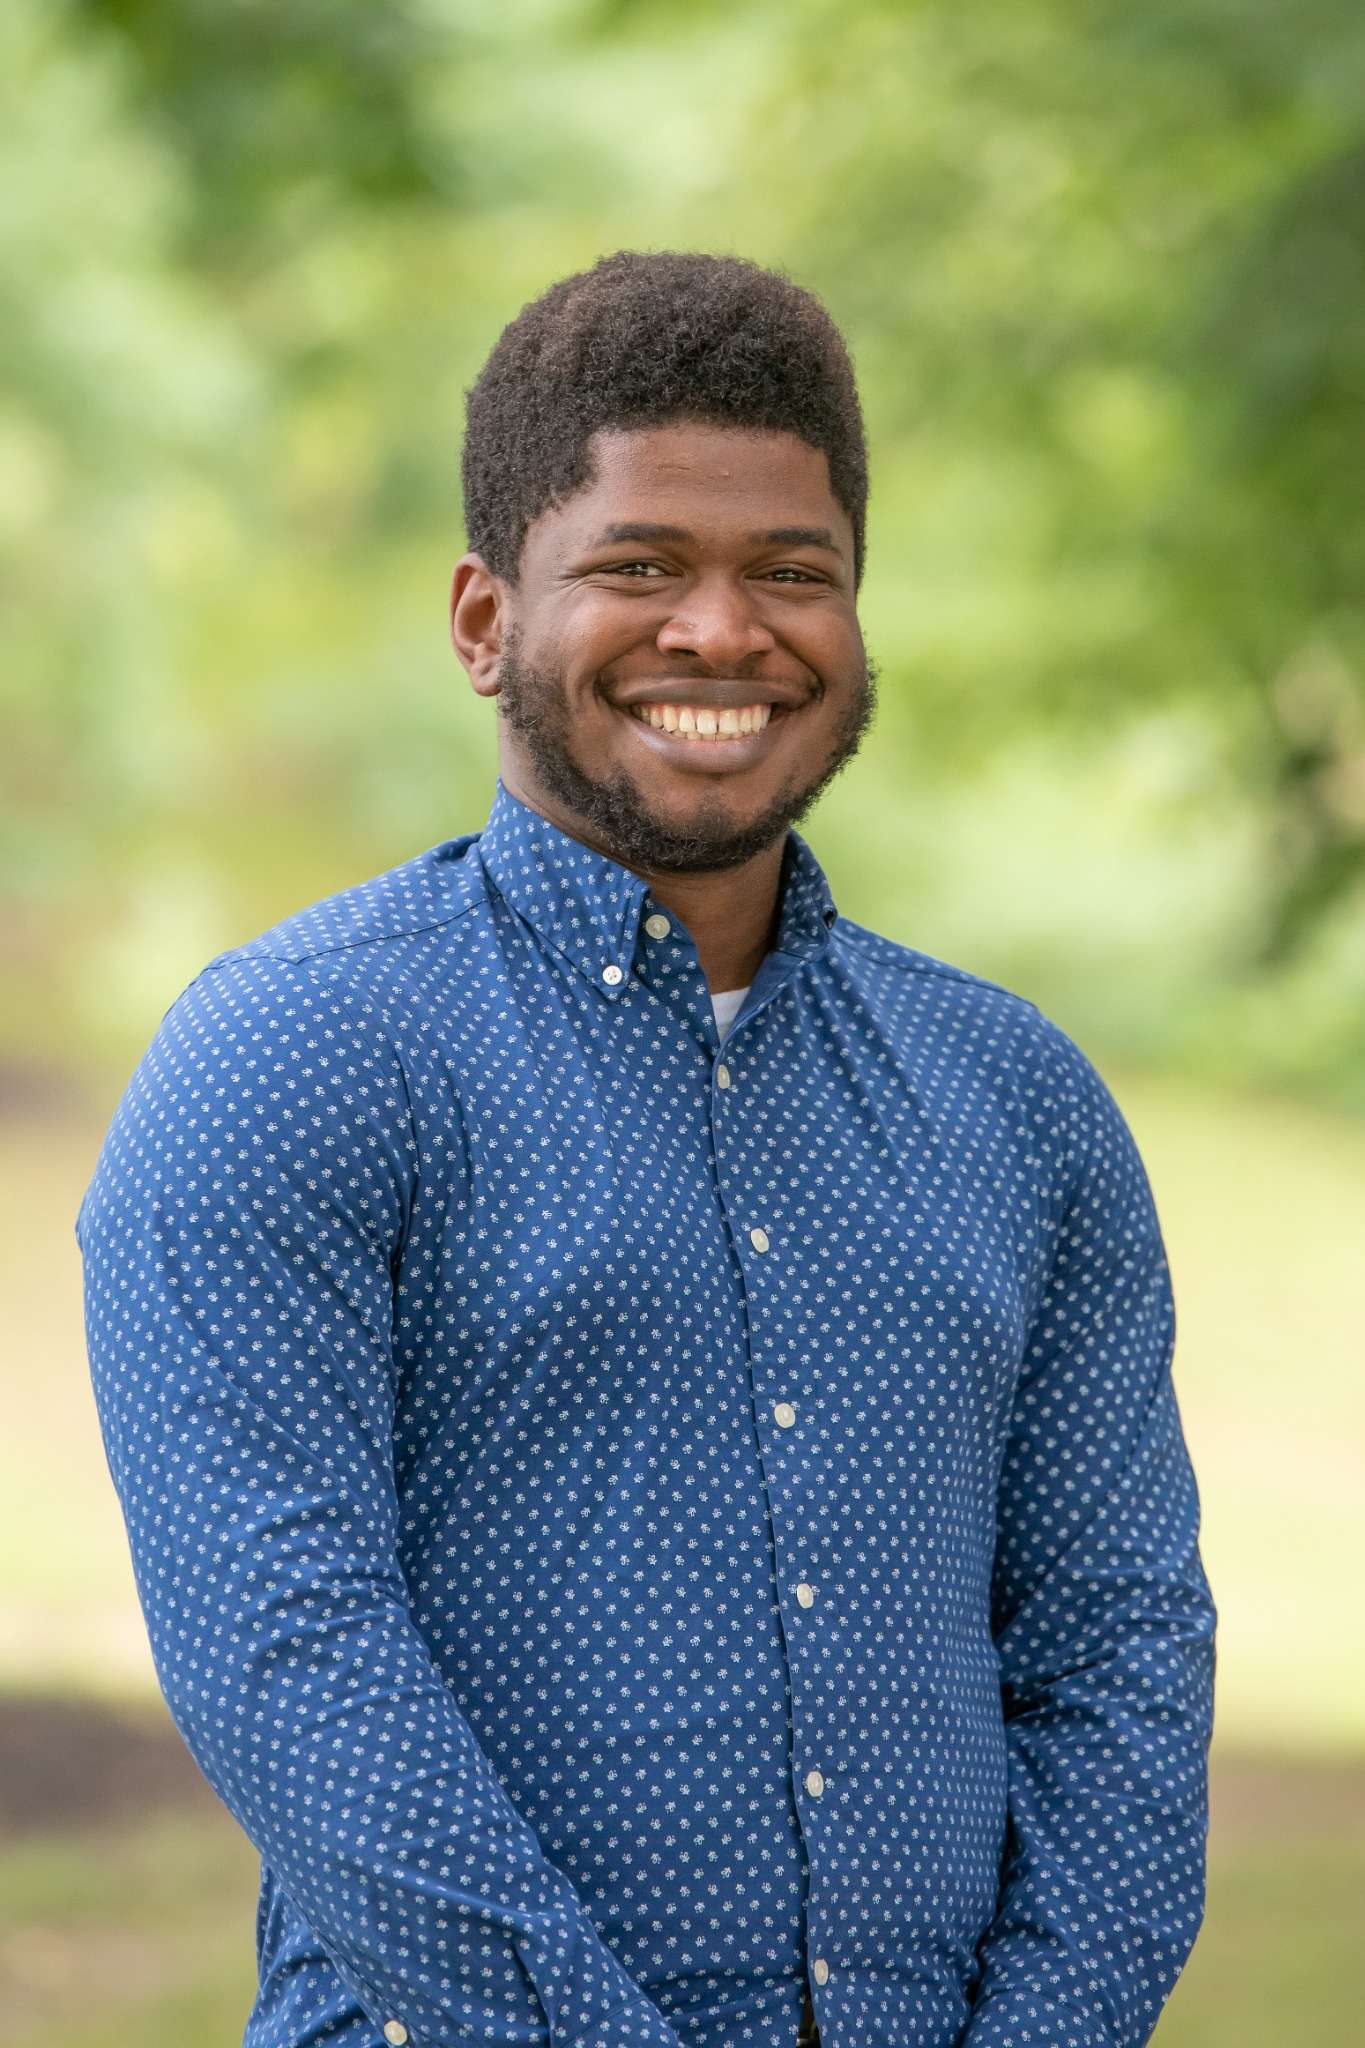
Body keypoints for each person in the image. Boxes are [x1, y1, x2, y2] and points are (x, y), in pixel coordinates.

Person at [75, 249, 1217, 2048]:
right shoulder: (294, 1059)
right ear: (480, 621)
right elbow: (290, 1662)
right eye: (637, 566)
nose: (721, 632)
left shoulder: (1023, 1101)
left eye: (792, 573)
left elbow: (1118, 1654)